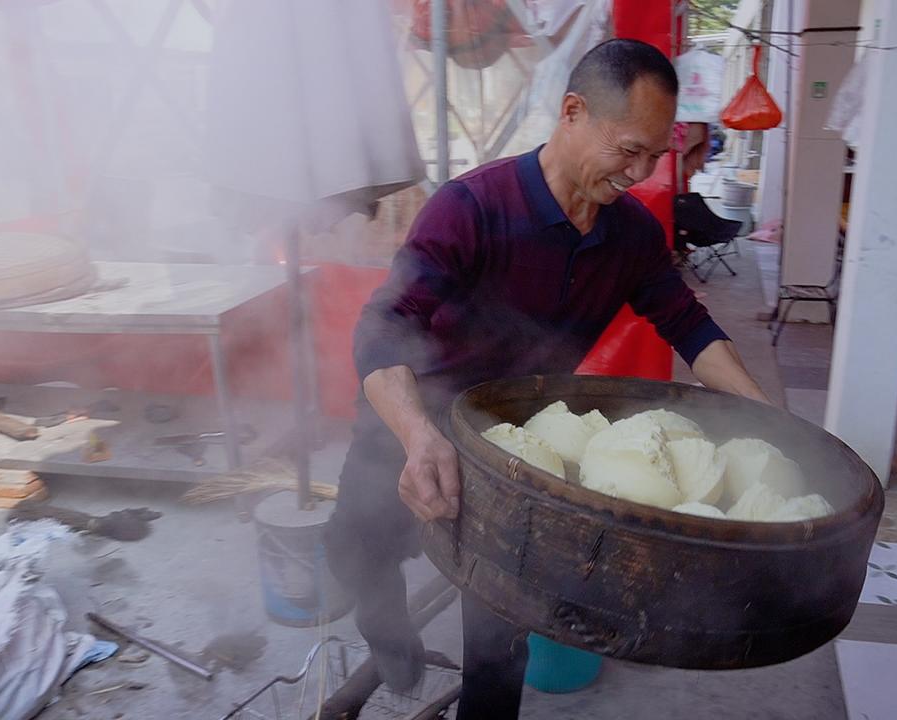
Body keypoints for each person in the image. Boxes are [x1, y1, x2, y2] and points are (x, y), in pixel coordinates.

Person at [323, 39, 771, 720]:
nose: (640, 174)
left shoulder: (630, 234)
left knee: (500, 632)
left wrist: (763, 412)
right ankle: (386, 627)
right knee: (356, 549)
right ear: (572, 112)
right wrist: (417, 435)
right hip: (411, 419)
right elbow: (384, 326)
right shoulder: (472, 207)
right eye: (629, 150)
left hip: (520, 446)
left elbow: (688, 325)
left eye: (655, 155)